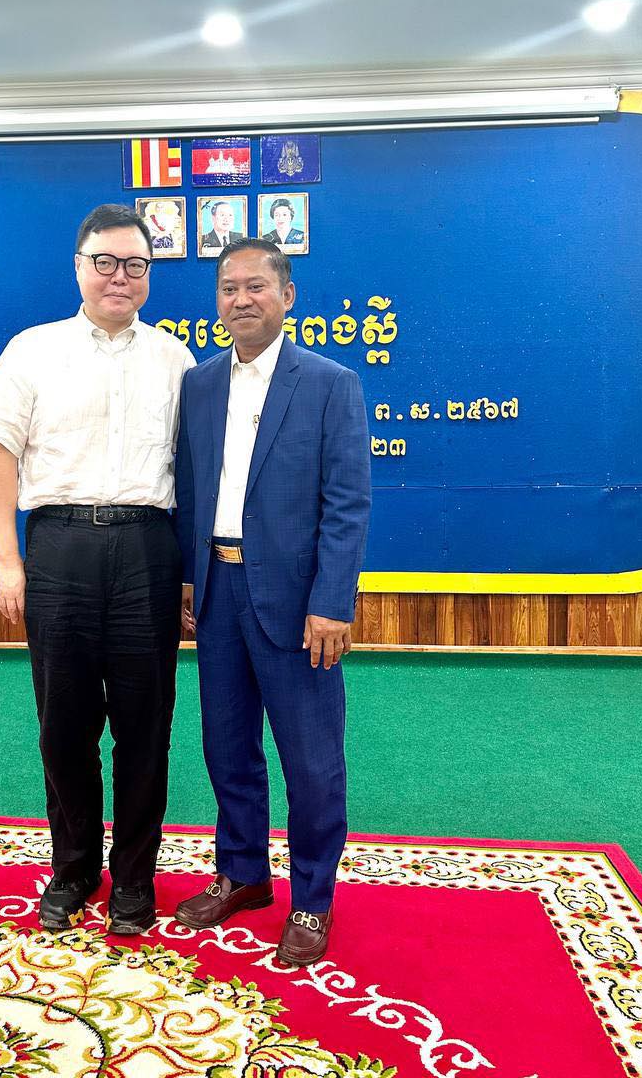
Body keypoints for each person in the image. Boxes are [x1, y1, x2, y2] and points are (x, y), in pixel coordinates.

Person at [0, 203, 195, 937]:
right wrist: (7, 559)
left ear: (149, 275)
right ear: (78, 267)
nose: (119, 277)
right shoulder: (32, 351)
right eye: (105, 262)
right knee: (63, 726)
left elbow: (192, 476)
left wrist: (190, 575)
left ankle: (134, 878)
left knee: (145, 727)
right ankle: (72, 870)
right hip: (59, 548)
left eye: (135, 265)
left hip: (147, 551)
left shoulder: (175, 361)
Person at [173, 238, 370, 966]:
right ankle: (243, 874)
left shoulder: (330, 384)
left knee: (312, 762)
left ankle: (313, 900)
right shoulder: (198, 385)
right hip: (218, 592)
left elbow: (347, 503)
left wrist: (333, 601)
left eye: (256, 286)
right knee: (226, 748)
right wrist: (189, 578)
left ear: (288, 296)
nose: (241, 299)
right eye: (228, 288)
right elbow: (190, 489)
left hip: (299, 604)